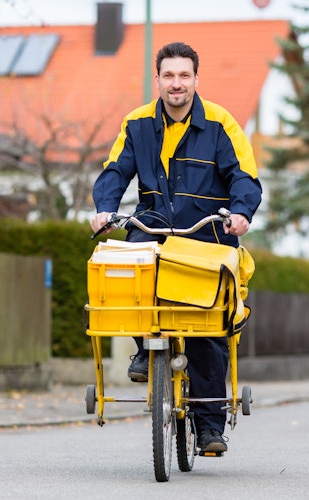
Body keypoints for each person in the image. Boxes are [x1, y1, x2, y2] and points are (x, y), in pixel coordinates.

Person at [90, 41, 262, 454]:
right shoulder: (137, 123)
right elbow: (115, 171)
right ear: (158, 80)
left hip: (206, 234)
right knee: (126, 270)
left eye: (184, 75)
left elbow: (245, 177)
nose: (176, 83)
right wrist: (104, 210)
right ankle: (142, 350)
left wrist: (240, 214)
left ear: (196, 80)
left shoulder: (221, 124)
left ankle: (208, 429)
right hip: (154, 224)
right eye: (169, 75)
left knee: (207, 330)